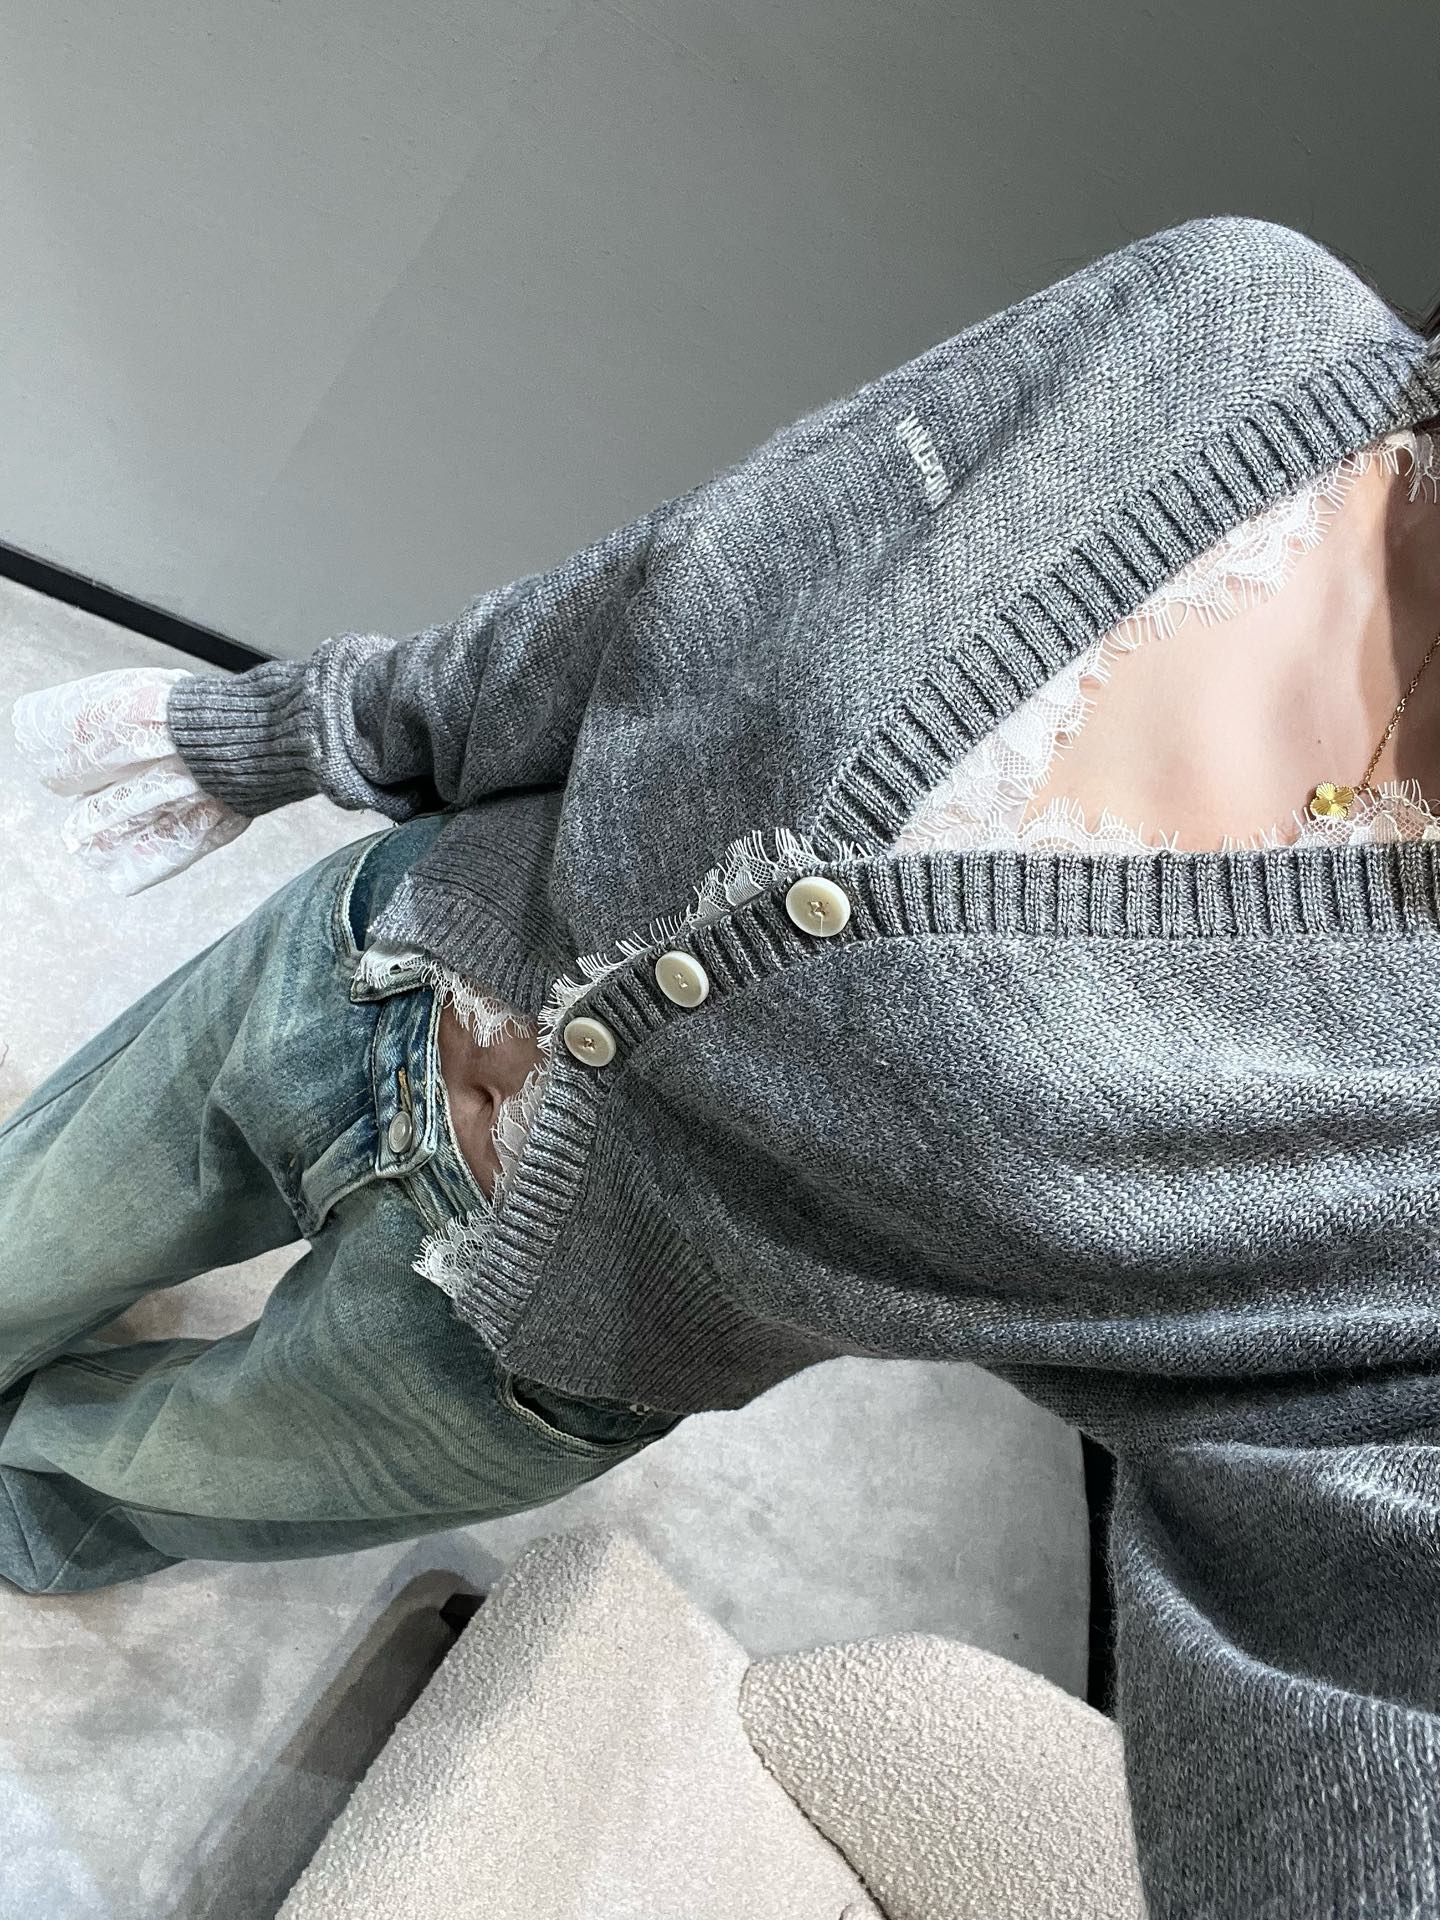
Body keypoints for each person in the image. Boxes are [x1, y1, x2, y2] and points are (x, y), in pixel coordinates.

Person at [5, 212, 1440, 1915]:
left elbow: (1372, 1630)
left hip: (539, 1351)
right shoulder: (1232, 318)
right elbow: (693, 579)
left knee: (101, 1498)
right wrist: (318, 724)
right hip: (365, 968)